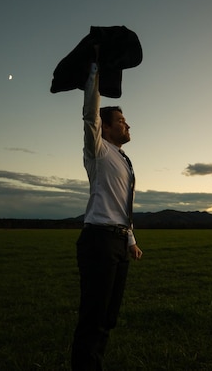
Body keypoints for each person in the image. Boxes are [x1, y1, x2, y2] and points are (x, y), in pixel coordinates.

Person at [71, 49, 143, 371]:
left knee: (109, 317)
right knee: (94, 318)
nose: (128, 126)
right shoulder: (97, 150)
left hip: (117, 243)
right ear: (107, 127)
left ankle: (94, 364)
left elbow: (122, 204)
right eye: (122, 121)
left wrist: (130, 241)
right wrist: (95, 71)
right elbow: (90, 114)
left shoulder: (124, 160)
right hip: (98, 241)